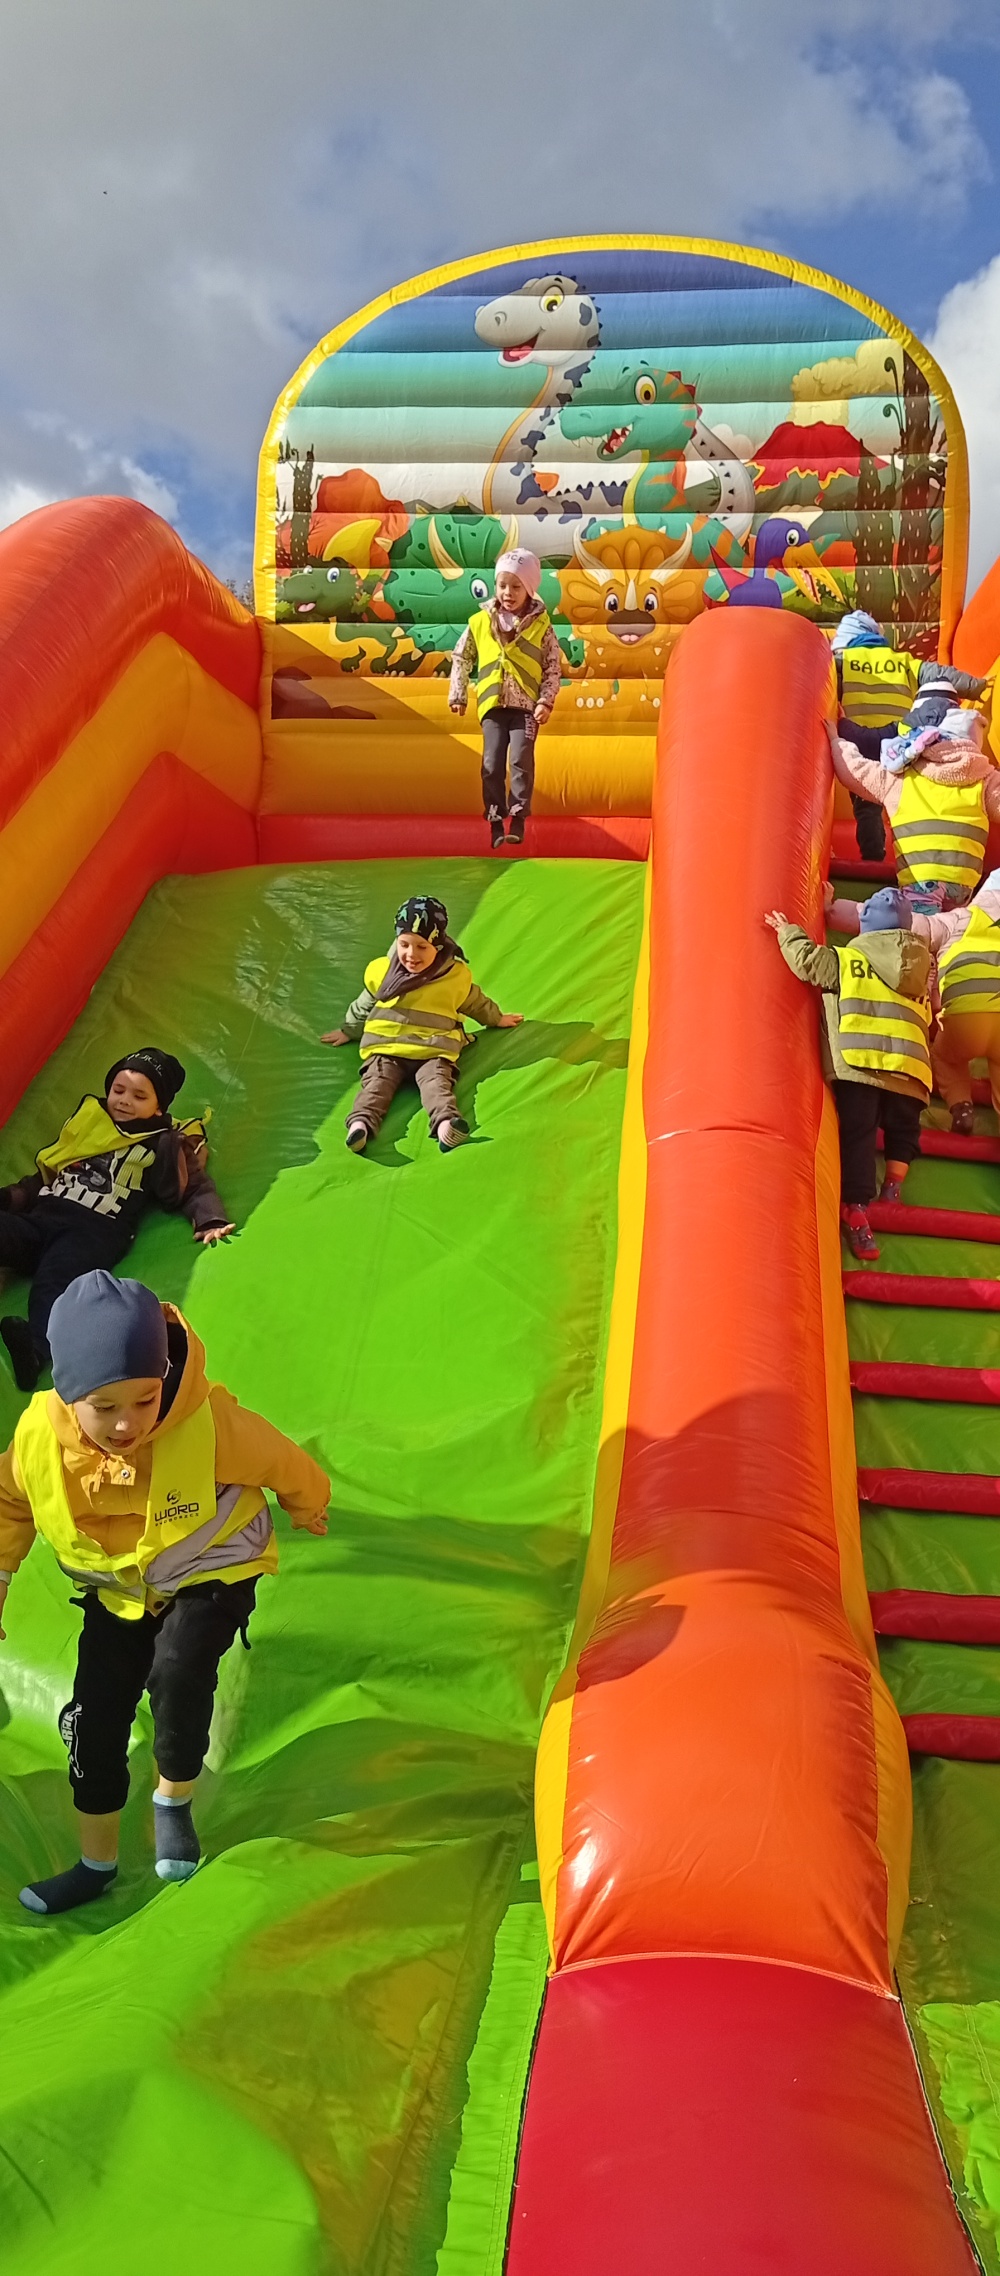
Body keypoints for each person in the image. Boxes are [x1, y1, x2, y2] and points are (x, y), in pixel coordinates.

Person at [0, 1271, 330, 1915]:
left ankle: (172, 1798)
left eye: (144, 1400)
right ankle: (94, 1863)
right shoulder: (38, 1440)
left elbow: (281, 1460)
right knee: (95, 1718)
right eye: (105, 1408)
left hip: (210, 1566)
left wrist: (307, 1503)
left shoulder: (206, 1424)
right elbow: (10, 1503)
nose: (127, 1423)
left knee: (178, 1670)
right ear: (68, 1394)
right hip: (120, 1588)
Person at [0, 1048, 234, 1396]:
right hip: (43, 1217)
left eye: (139, 1096)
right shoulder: (90, 1126)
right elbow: (44, 1178)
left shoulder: (161, 1144)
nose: (124, 1101)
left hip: (91, 1231)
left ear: (159, 1107)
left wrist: (209, 1218)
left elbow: (194, 1185)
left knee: (54, 1283)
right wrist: (8, 1198)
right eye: (118, 1090)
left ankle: (34, 1352)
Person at [766, 886, 932, 1260]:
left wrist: (787, 932)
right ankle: (893, 1185)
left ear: (866, 927)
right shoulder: (921, 968)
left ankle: (856, 1208)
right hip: (911, 1068)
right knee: (904, 1128)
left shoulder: (849, 960)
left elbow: (809, 962)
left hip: (861, 1061)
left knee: (859, 1132)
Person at [321, 894, 522, 1151]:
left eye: (422, 947)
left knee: (437, 1086)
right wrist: (348, 1030)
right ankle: (360, 1126)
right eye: (404, 944)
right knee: (376, 1086)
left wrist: (497, 1018)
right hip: (387, 1048)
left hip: (432, 1050)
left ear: (437, 946)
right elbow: (364, 1003)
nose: (411, 954)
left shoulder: (453, 977)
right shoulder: (382, 972)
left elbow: (475, 1002)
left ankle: (446, 1126)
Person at [830, 609, 988, 861]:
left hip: (862, 740)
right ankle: (912, 852)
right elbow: (942, 675)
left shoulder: (842, 662)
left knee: (866, 804)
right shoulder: (904, 661)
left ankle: (873, 857)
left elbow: (821, 678)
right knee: (908, 798)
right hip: (900, 741)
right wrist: (977, 686)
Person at [827, 712, 1000, 915]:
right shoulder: (984, 780)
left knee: (920, 926)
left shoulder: (902, 777)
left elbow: (855, 771)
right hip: (962, 882)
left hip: (920, 878)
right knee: (950, 927)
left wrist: (837, 741)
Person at [448, 548, 561, 848]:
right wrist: (458, 693)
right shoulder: (480, 621)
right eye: (502, 585)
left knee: (521, 759)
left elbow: (552, 667)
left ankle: (519, 818)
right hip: (493, 706)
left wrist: (545, 701)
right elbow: (462, 656)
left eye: (516, 586)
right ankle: (496, 821)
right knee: (491, 763)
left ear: (529, 589)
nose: (508, 593)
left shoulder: (541, 626)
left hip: (526, 708)